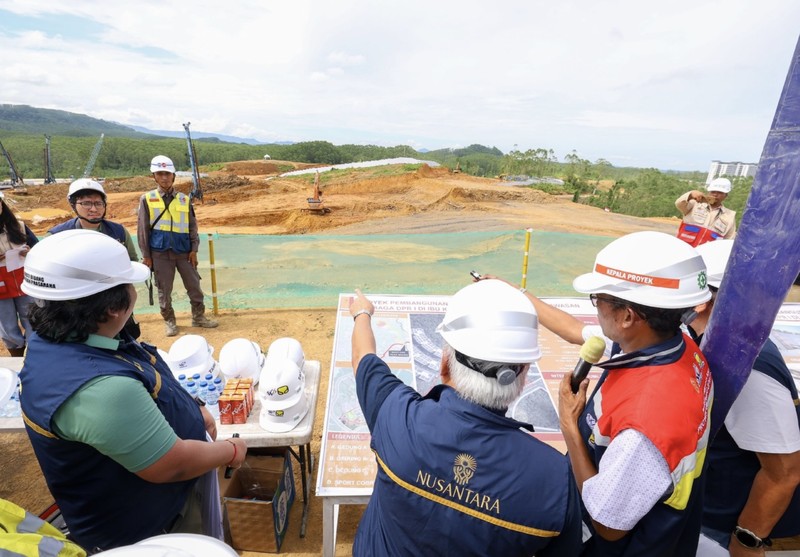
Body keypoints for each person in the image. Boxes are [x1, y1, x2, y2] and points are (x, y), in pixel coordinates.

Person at [18, 229, 247, 552]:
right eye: (129, 284)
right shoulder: (100, 389)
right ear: (113, 307)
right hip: (148, 530)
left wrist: (192, 405)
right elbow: (171, 464)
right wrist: (232, 450)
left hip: (136, 510)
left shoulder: (62, 337)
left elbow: (140, 366)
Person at [487, 230, 714, 556]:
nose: (595, 307)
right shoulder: (675, 346)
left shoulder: (643, 427)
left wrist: (569, 425)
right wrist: (517, 293)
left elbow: (608, 525)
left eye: (598, 299)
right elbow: (574, 330)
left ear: (627, 316)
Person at [349, 280, 583, 557]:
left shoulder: (397, 415)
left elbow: (363, 358)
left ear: (444, 365)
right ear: (522, 378)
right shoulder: (556, 480)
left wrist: (362, 313)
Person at [691, 240, 800, 556]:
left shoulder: (746, 367)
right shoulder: (717, 342)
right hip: (709, 509)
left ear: (703, 300)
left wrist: (747, 540)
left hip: (722, 527)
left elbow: (784, 473)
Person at [49, 178, 142, 338]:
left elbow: (131, 261)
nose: (93, 208)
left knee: (124, 336)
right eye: (86, 203)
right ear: (73, 204)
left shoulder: (118, 232)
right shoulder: (58, 236)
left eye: (98, 203)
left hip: (114, 298)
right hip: (78, 302)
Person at [137, 155, 217, 337]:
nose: (164, 177)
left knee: (194, 286)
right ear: (154, 176)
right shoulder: (147, 199)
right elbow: (142, 230)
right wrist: (146, 255)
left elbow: (192, 227)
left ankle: (198, 317)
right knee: (164, 290)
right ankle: (170, 321)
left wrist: (194, 250)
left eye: (167, 174)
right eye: (160, 174)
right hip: (160, 253)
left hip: (184, 253)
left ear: (173, 176)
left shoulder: (184, 199)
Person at [0, 191, 37, 357]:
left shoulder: (19, 226)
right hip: (1, 286)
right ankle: (17, 355)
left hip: (24, 280)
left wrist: (29, 251)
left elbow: (37, 247)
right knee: (7, 325)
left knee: (31, 317)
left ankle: (33, 353)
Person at [675, 177, 737, 246]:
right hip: (685, 248)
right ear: (709, 192)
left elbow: (728, 240)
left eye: (720, 192)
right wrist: (690, 194)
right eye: (713, 191)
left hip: (707, 252)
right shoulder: (695, 204)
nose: (715, 194)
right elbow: (678, 203)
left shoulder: (729, 216)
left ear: (726, 196)